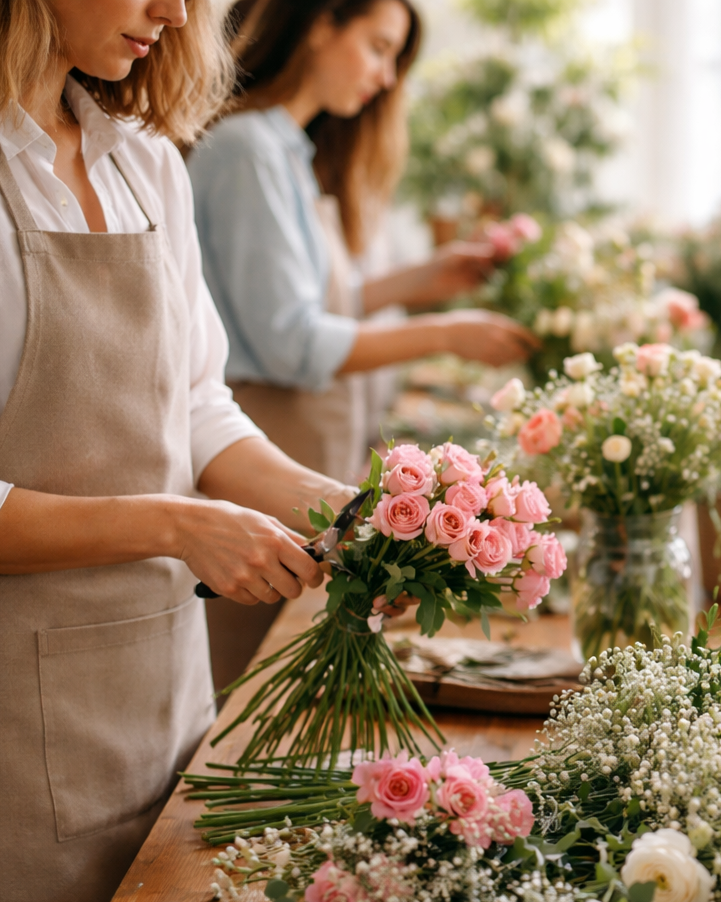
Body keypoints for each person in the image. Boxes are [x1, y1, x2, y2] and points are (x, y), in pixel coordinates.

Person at [0, 2, 364, 902]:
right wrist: (176, 526)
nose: (174, 15)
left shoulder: (145, 164)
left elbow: (196, 406)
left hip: (161, 697)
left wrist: (353, 513)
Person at [187, 0, 534, 684]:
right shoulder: (247, 149)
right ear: (320, 23)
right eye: (378, 47)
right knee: (248, 670)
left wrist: (423, 280)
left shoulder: (287, 149)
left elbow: (300, 306)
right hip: (266, 445)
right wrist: (447, 335)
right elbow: (289, 341)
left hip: (302, 441)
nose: (384, 77)